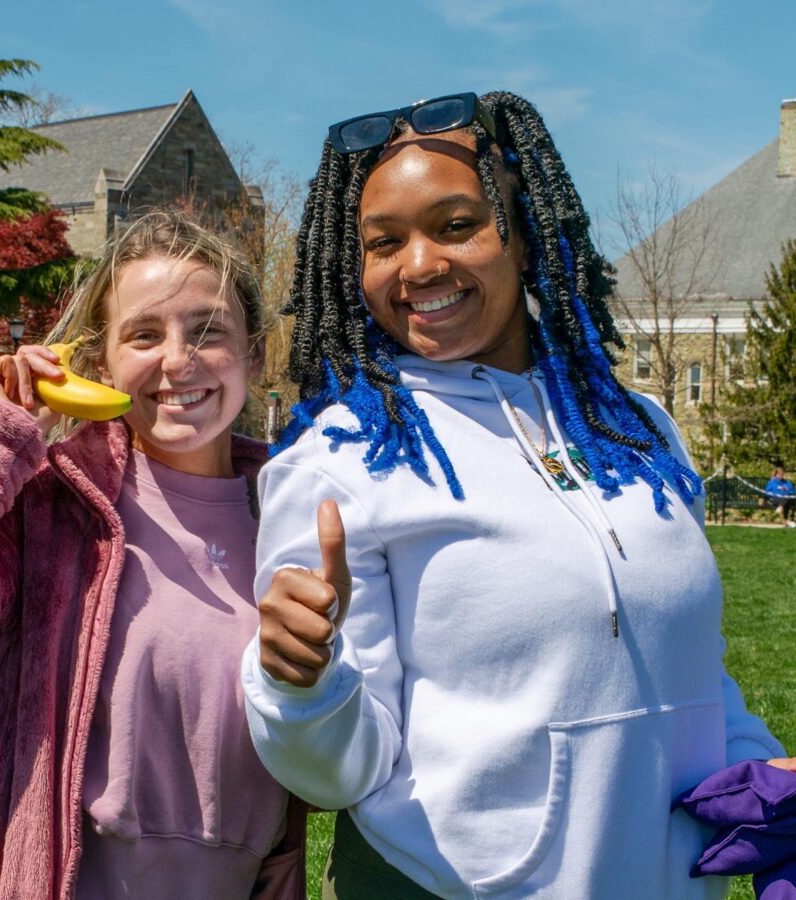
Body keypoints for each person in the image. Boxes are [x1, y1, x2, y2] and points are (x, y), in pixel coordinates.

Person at [240, 91, 793, 899]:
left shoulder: (639, 431)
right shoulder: (341, 461)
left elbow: (688, 672)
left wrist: (759, 761)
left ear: (526, 236)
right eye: (384, 243)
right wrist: (301, 686)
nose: (420, 264)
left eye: (457, 225)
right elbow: (340, 774)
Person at [0, 211, 305, 899]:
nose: (180, 360)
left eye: (209, 331)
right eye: (145, 334)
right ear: (100, 364)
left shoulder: (293, 513)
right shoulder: (49, 506)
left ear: (255, 354)